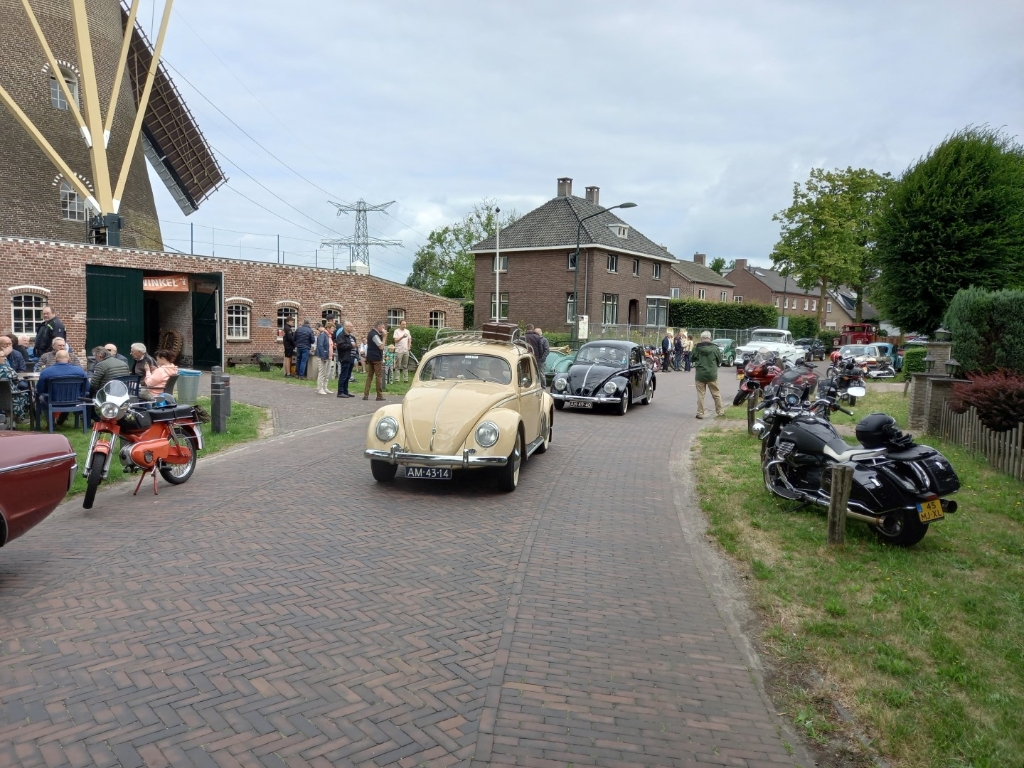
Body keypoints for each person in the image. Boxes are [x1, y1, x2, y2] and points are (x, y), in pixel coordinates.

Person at [36, 349, 89, 415]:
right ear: (69, 359)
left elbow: (40, 389)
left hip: (53, 401)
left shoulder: (46, 372)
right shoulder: (80, 371)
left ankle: (51, 420)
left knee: (41, 398)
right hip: (76, 401)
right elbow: (86, 388)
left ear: (55, 358)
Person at [692, 331, 724, 419]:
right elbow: (720, 360)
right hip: (712, 374)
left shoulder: (696, 348)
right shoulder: (715, 348)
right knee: (716, 393)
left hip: (700, 375)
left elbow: (691, 358)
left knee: (701, 395)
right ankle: (720, 411)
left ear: (701, 338)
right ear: (710, 338)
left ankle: (700, 413)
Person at [0, 349, 30, 424]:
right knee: (27, 394)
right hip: (11, 397)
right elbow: (16, 378)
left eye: (5, 356)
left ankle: (10, 420)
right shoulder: (7, 370)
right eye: (2, 356)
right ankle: (16, 420)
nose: (5, 358)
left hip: (4, 397)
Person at [363, 321, 386, 401]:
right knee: (378, 375)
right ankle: (379, 395)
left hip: (370, 357)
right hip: (376, 357)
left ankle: (366, 394)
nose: (384, 329)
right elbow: (381, 347)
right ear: (378, 327)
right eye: (383, 327)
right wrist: (384, 337)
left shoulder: (371, 333)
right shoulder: (374, 335)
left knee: (370, 375)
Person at [335, 321, 356, 398]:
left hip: (352, 357)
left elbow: (355, 345)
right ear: (346, 327)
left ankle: (345, 391)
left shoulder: (351, 336)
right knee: (343, 375)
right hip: (345, 357)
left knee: (348, 375)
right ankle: (340, 392)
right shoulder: (341, 335)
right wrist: (351, 345)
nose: (352, 328)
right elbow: (341, 346)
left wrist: (356, 354)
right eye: (351, 326)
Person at [392, 319, 412, 383]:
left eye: (405, 324)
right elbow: (395, 340)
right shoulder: (396, 331)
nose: (404, 326)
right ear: (400, 324)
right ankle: (397, 379)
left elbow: (409, 339)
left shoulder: (407, 331)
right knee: (397, 365)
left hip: (406, 350)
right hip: (398, 350)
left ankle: (406, 379)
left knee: (405, 365)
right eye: (403, 324)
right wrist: (402, 337)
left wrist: (409, 347)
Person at [314, 324, 332, 395]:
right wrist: (323, 356)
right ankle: (320, 388)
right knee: (322, 373)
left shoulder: (328, 336)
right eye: (332, 328)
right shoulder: (323, 335)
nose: (333, 330)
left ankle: (325, 387)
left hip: (329, 356)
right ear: (328, 328)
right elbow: (320, 346)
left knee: (327, 373)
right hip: (323, 356)